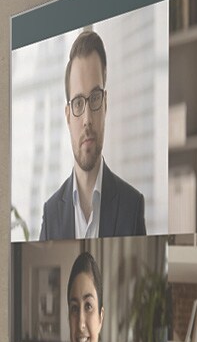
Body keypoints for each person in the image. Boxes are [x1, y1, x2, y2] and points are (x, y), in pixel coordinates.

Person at [39, 28, 148, 240]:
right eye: (78, 102)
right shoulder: (51, 214)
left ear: (105, 104)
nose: (87, 118)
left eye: (95, 98)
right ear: (68, 115)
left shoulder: (132, 205)